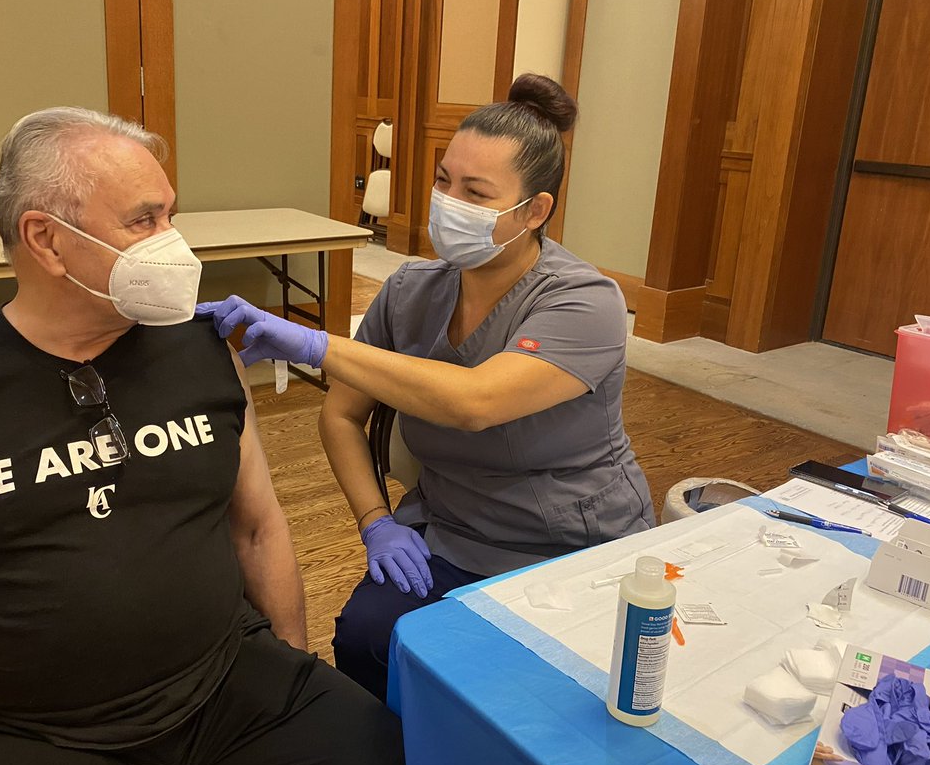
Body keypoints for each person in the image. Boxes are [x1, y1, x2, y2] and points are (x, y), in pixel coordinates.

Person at [0, 107, 406, 765]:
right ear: (47, 240)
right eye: (144, 220)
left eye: (171, 216)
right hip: (36, 735)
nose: (174, 244)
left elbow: (257, 526)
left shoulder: (201, 348)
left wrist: (290, 667)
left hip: (227, 684)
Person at [204, 74, 653, 700]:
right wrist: (375, 523)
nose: (449, 202)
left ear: (535, 211)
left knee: (520, 691)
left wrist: (316, 343)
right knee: (365, 637)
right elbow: (340, 418)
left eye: (476, 192)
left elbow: (475, 402)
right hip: (448, 528)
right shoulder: (412, 290)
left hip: (570, 543)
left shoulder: (583, 300)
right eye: (444, 180)